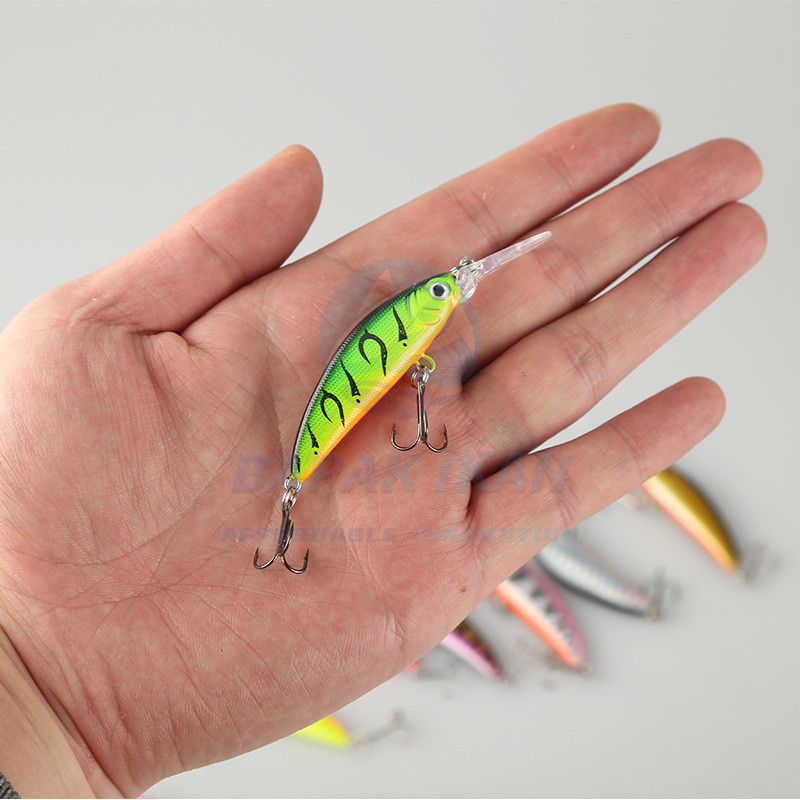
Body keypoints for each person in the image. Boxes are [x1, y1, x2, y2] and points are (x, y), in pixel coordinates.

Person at [0, 104, 764, 797]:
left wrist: (40, 694)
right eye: (443, 293)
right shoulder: (418, 316)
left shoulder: (429, 323)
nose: (453, 291)